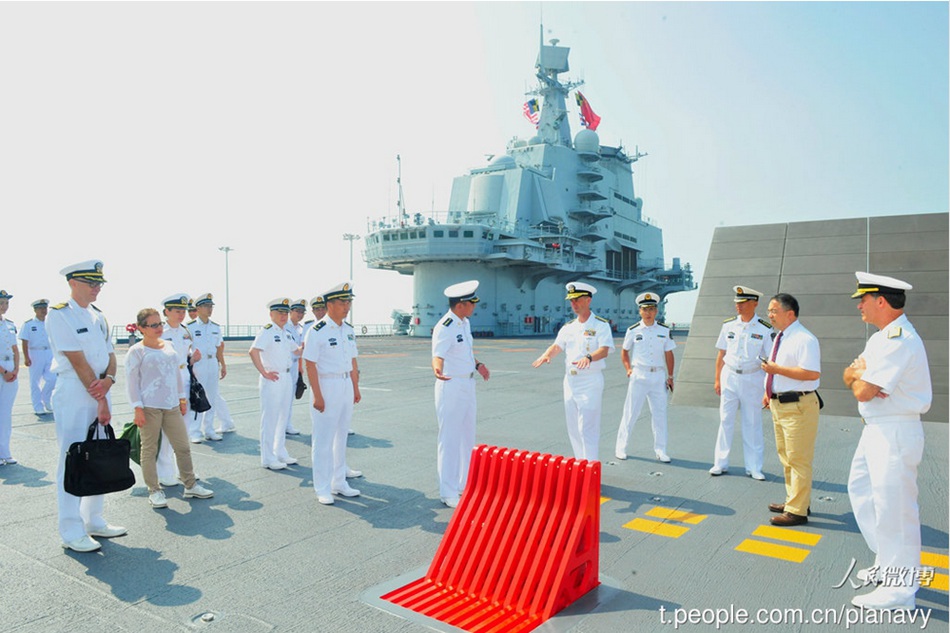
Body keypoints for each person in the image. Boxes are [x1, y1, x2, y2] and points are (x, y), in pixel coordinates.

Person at [843, 272, 932, 611]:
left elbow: (863, 387)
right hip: (876, 427)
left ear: (881, 301)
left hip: (895, 429)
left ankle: (899, 590)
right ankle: (887, 561)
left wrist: (855, 376)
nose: (859, 306)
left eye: (862, 300)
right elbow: (859, 383)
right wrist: (856, 377)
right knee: (863, 491)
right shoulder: (881, 338)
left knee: (896, 509)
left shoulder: (898, 339)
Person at [46, 260, 126, 553]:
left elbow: (110, 354)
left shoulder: (98, 316)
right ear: (73, 283)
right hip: (75, 393)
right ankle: (71, 529)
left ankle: (93, 519)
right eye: (91, 283)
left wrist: (110, 380)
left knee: (99, 455)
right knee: (73, 457)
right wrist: (101, 396)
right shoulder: (59, 316)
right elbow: (79, 363)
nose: (97, 288)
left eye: (99, 283)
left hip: (100, 389)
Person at [125, 308, 214, 508]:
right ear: (141, 328)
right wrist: (137, 408)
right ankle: (154, 490)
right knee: (149, 449)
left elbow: (177, 374)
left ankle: (190, 485)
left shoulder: (170, 346)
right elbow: (131, 382)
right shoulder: (137, 351)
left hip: (172, 405)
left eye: (160, 324)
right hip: (149, 407)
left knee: (182, 446)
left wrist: (182, 399)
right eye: (153, 325)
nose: (159, 328)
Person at [532, 282, 614, 461]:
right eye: (571, 301)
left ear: (588, 300)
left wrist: (589, 358)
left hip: (590, 380)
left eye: (577, 300)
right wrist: (547, 355)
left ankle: (591, 468)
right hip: (570, 382)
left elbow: (605, 349)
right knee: (574, 428)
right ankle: (580, 465)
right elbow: (557, 345)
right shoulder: (568, 327)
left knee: (588, 426)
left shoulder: (601, 325)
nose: (574, 304)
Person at [761, 293, 821, 527]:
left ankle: (797, 511)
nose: (769, 315)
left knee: (799, 459)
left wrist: (776, 370)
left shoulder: (804, 339)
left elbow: (811, 373)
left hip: (798, 406)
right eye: (769, 311)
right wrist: (769, 391)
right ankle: (794, 501)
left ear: (790, 313)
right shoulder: (781, 338)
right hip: (780, 404)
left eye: (773, 311)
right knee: (787, 457)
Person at [431, 280, 490, 508]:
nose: (474, 307)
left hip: (467, 385)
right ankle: (448, 491)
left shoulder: (464, 324)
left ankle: (465, 485)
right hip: (451, 386)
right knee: (450, 439)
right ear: (461, 305)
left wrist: (478, 365)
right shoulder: (445, 326)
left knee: (467, 437)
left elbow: (464, 353)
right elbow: (438, 354)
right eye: (471, 303)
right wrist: (437, 368)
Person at [303, 282, 362, 505]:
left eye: (349, 302)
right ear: (329, 305)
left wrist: (355, 387)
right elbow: (310, 364)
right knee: (323, 439)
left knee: (342, 436)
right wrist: (317, 395)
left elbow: (353, 361)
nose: (347, 306)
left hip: (345, 384)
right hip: (326, 386)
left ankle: (339, 482)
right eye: (342, 302)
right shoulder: (317, 331)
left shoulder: (348, 330)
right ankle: (322, 487)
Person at [709, 286, 773, 479]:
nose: (739, 306)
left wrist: (767, 390)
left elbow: (770, 360)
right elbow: (721, 354)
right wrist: (717, 379)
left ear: (755, 303)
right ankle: (720, 463)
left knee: (752, 422)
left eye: (743, 303)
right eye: (737, 303)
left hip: (753, 378)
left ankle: (754, 467)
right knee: (725, 420)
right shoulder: (728, 325)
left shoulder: (764, 328)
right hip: (729, 376)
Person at [614, 292, 677, 463]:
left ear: (656, 311)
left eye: (651, 309)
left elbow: (669, 353)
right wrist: (628, 369)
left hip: (658, 376)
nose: (648, 312)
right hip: (639, 375)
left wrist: (670, 376)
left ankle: (661, 450)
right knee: (630, 413)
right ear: (639, 311)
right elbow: (624, 351)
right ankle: (621, 447)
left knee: (660, 414)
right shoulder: (633, 330)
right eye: (644, 309)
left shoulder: (664, 330)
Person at [249, 298, 300, 470]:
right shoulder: (267, 331)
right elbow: (253, 351)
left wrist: (309, 342)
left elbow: (297, 350)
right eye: (279, 312)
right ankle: (267, 457)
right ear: (271, 314)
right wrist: (263, 372)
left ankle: (280, 451)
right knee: (270, 418)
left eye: (285, 313)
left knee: (283, 416)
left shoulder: (286, 333)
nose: (283, 316)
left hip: (286, 378)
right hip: (272, 378)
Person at [187, 293, 229, 437]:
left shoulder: (215, 327)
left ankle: (209, 429)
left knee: (211, 397)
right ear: (198, 308)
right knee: (198, 396)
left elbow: (219, 348)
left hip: (212, 363)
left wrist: (223, 365)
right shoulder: (190, 327)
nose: (209, 309)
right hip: (199, 363)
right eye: (206, 306)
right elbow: (186, 348)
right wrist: (190, 365)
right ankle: (194, 431)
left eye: (211, 306)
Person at [19, 299, 56, 415]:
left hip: (49, 352)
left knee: (53, 378)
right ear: (35, 310)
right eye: (40, 308)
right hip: (35, 353)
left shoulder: (50, 323)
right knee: (35, 382)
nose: (43, 310)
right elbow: (24, 342)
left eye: (45, 308)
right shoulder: (29, 324)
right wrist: (26, 357)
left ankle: (46, 399)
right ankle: (38, 406)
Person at [0, 289, 19, 465]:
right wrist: (4, 372)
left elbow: (15, 349)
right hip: (1, 371)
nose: (4, 306)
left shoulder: (10, 325)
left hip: (10, 370)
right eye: (1, 303)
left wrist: (15, 370)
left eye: (6, 303)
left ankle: (5, 452)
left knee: (5, 414)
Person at [283, 299, 307, 436]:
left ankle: (287, 424)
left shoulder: (301, 329)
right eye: (297, 311)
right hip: (284, 364)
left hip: (294, 365)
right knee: (282, 396)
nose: (300, 314)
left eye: (302, 312)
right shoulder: (285, 327)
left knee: (290, 396)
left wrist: (300, 366)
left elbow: (299, 351)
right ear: (290, 312)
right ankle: (281, 424)